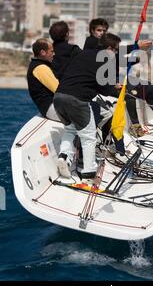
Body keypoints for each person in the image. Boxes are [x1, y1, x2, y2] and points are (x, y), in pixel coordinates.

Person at [53, 33, 121, 179]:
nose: (115, 53)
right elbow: (106, 90)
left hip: (58, 97)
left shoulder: (82, 54)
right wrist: (118, 88)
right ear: (109, 48)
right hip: (77, 100)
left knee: (70, 130)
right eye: (116, 50)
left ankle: (64, 156)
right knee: (89, 137)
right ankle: (89, 170)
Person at [27, 38, 60, 121]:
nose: (54, 54)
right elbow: (58, 89)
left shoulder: (39, 65)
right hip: (51, 107)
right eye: (51, 51)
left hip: (51, 107)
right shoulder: (41, 68)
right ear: (43, 52)